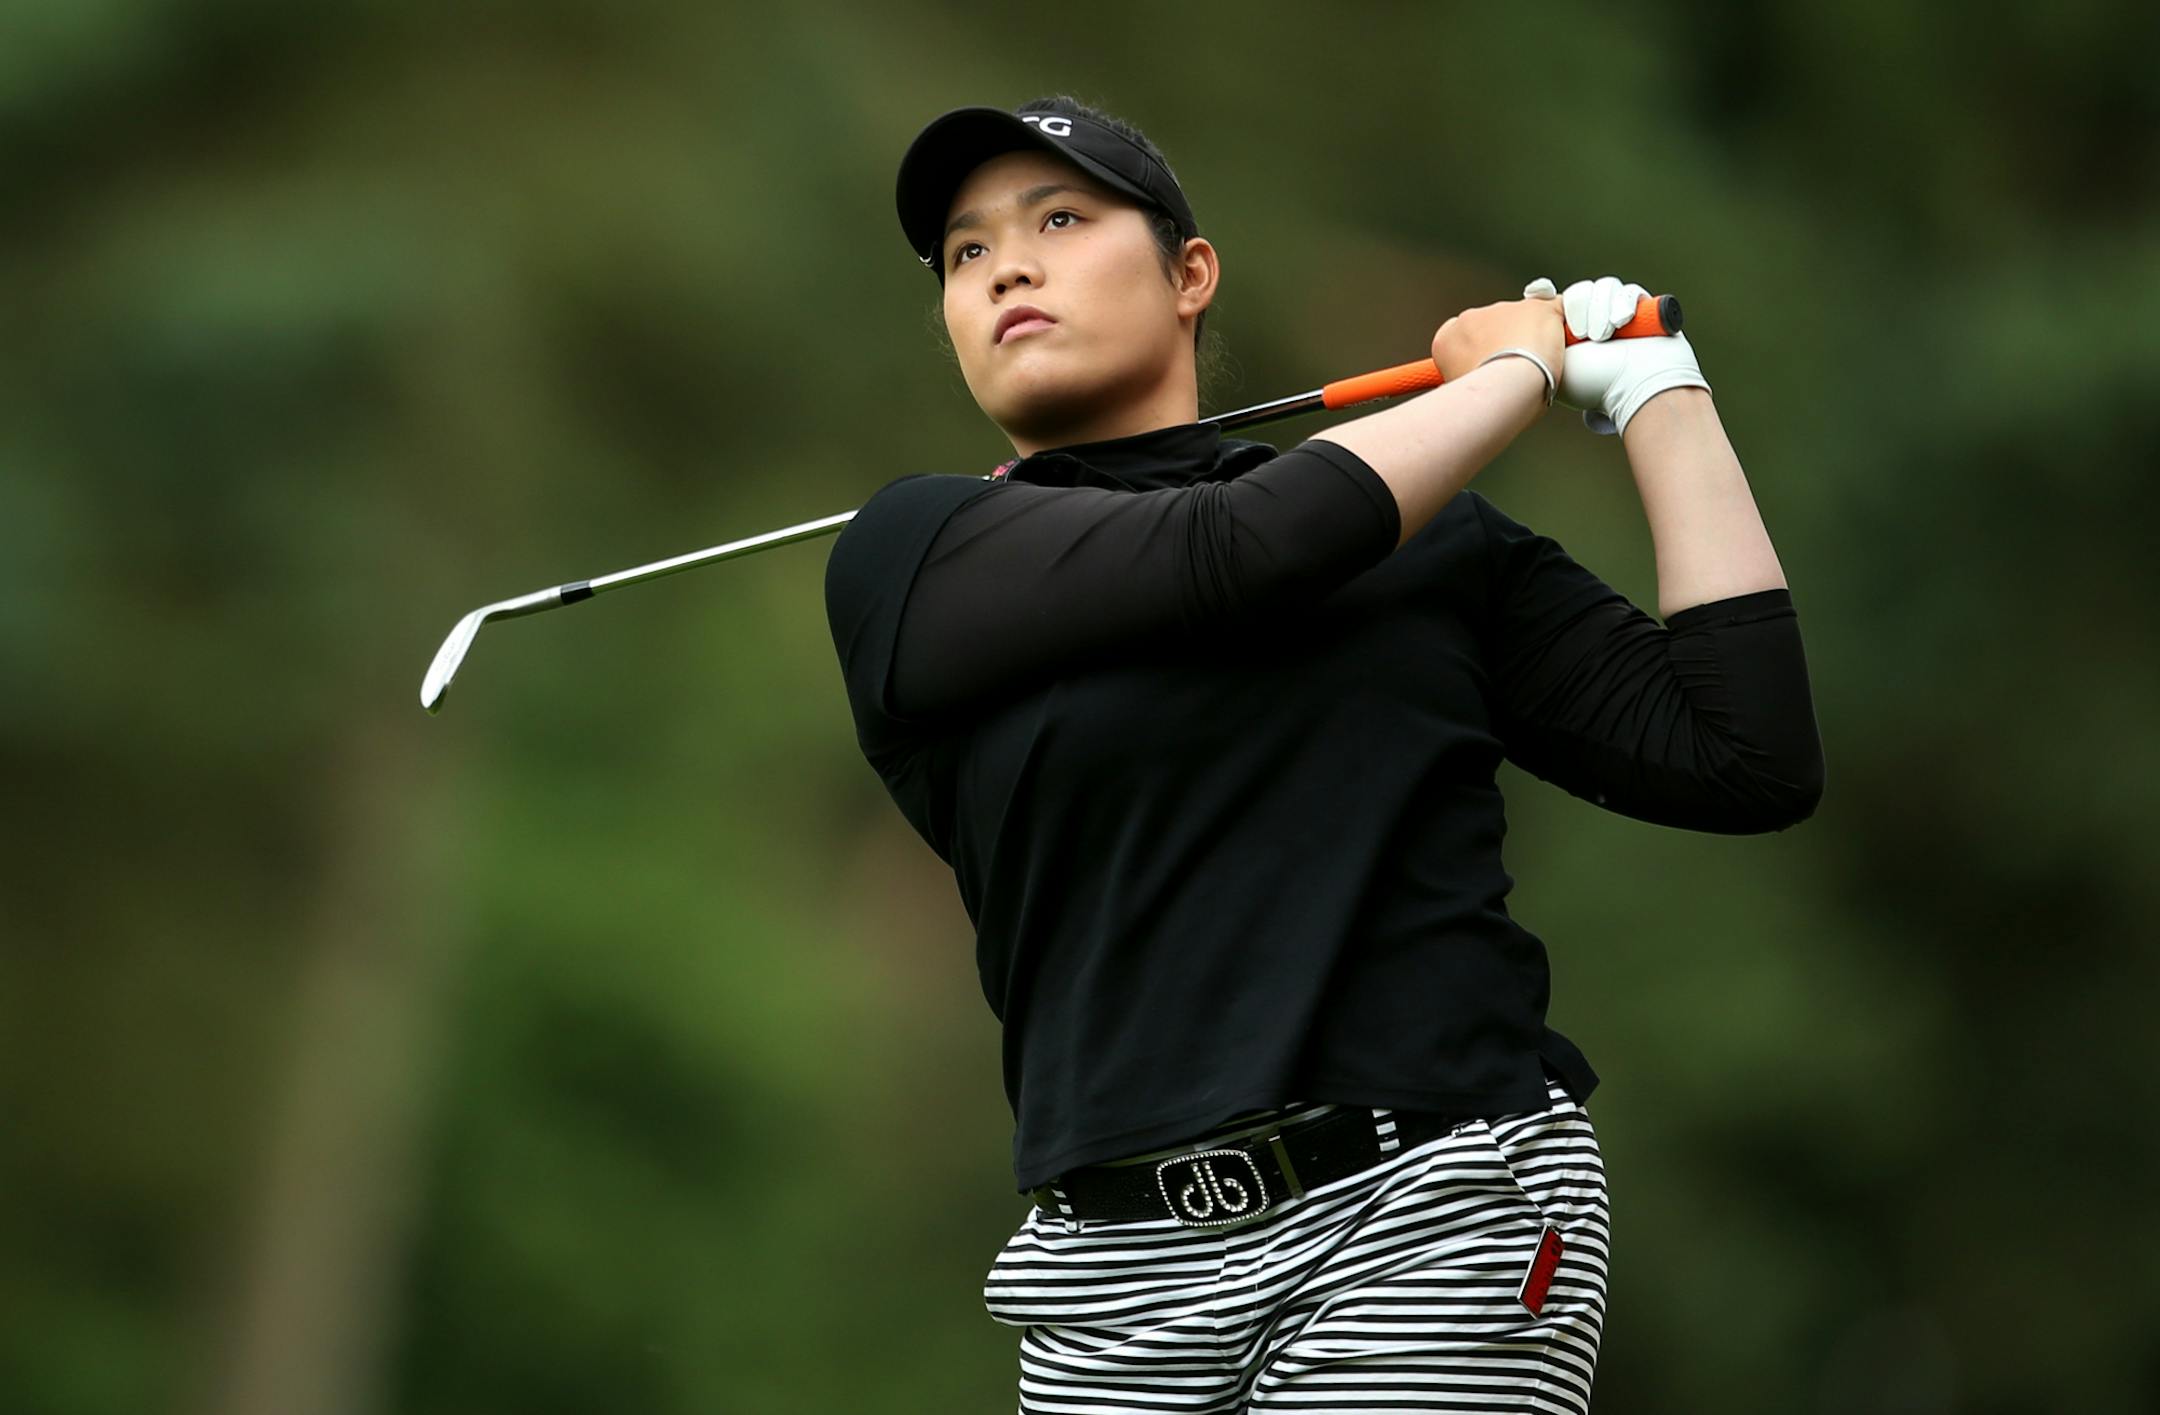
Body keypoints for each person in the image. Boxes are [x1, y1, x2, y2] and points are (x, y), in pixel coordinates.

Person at [823, 93, 1823, 1415]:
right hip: (1107, 1278)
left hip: (1435, 1205)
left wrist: (1660, 390)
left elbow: (1744, 753)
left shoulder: (1427, 543)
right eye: (967, 251)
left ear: (1191, 274)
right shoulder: (916, 558)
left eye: (1058, 220)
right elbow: (1241, 553)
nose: (1007, 266)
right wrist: (1514, 374)